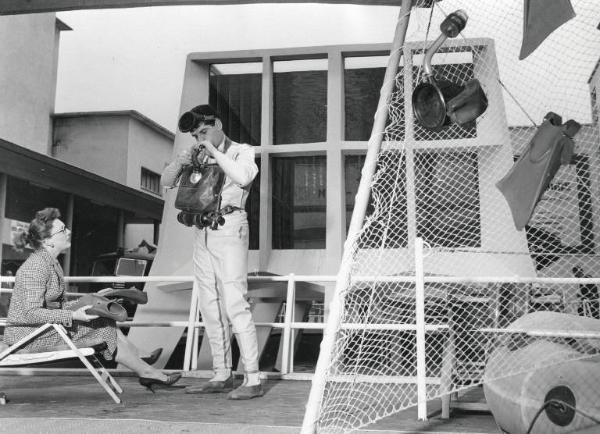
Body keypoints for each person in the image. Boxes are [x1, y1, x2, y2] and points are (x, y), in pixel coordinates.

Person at [3, 208, 181, 391]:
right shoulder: (35, 268)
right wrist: (74, 316)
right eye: (63, 230)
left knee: (104, 320)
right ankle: (146, 370)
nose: (69, 232)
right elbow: (31, 313)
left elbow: (56, 305)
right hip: (27, 336)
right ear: (47, 241)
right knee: (104, 327)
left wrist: (95, 298)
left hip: (42, 330)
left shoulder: (50, 263)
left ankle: (145, 368)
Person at [161, 104, 263, 400]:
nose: (199, 138)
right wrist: (182, 162)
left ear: (217, 124)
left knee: (235, 301)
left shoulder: (243, 150)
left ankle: (253, 379)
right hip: (202, 229)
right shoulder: (199, 153)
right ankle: (221, 374)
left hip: (230, 226)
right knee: (209, 303)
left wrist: (214, 153)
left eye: (203, 132)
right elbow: (167, 183)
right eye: (195, 135)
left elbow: (243, 178)